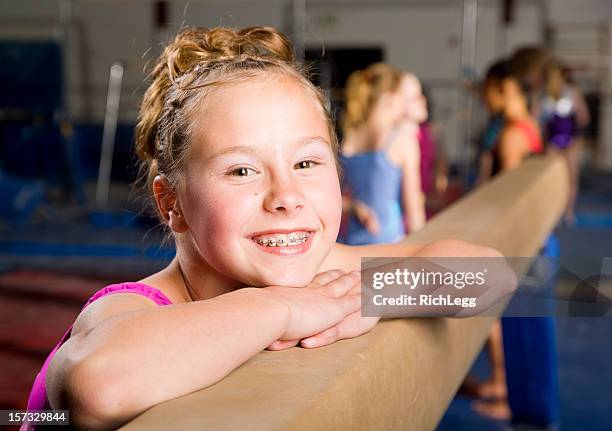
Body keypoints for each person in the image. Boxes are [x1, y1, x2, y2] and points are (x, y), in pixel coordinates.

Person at [23, 26, 508, 430]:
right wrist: (278, 308)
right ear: (172, 202)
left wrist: (377, 291)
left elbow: (491, 276)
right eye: (242, 170)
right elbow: (96, 385)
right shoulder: (133, 307)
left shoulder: (328, 274)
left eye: (306, 162)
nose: (286, 196)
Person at [339, 63, 425, 246]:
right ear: (390, 98)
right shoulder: (403, 141)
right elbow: (414, 210)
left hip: (349, 246)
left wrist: (353, 206)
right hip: (389, 244)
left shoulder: (346, 137)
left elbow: (329, 200)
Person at [541, 60, 590, 225]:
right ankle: (552, 211)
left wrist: (575, 121)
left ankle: (568, 212)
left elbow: (584, 117)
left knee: (571, 177)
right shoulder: (543, 94)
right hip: (552, 140)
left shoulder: (571, 92)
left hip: (570, 139)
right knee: (549, 177)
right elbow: (537, 119)